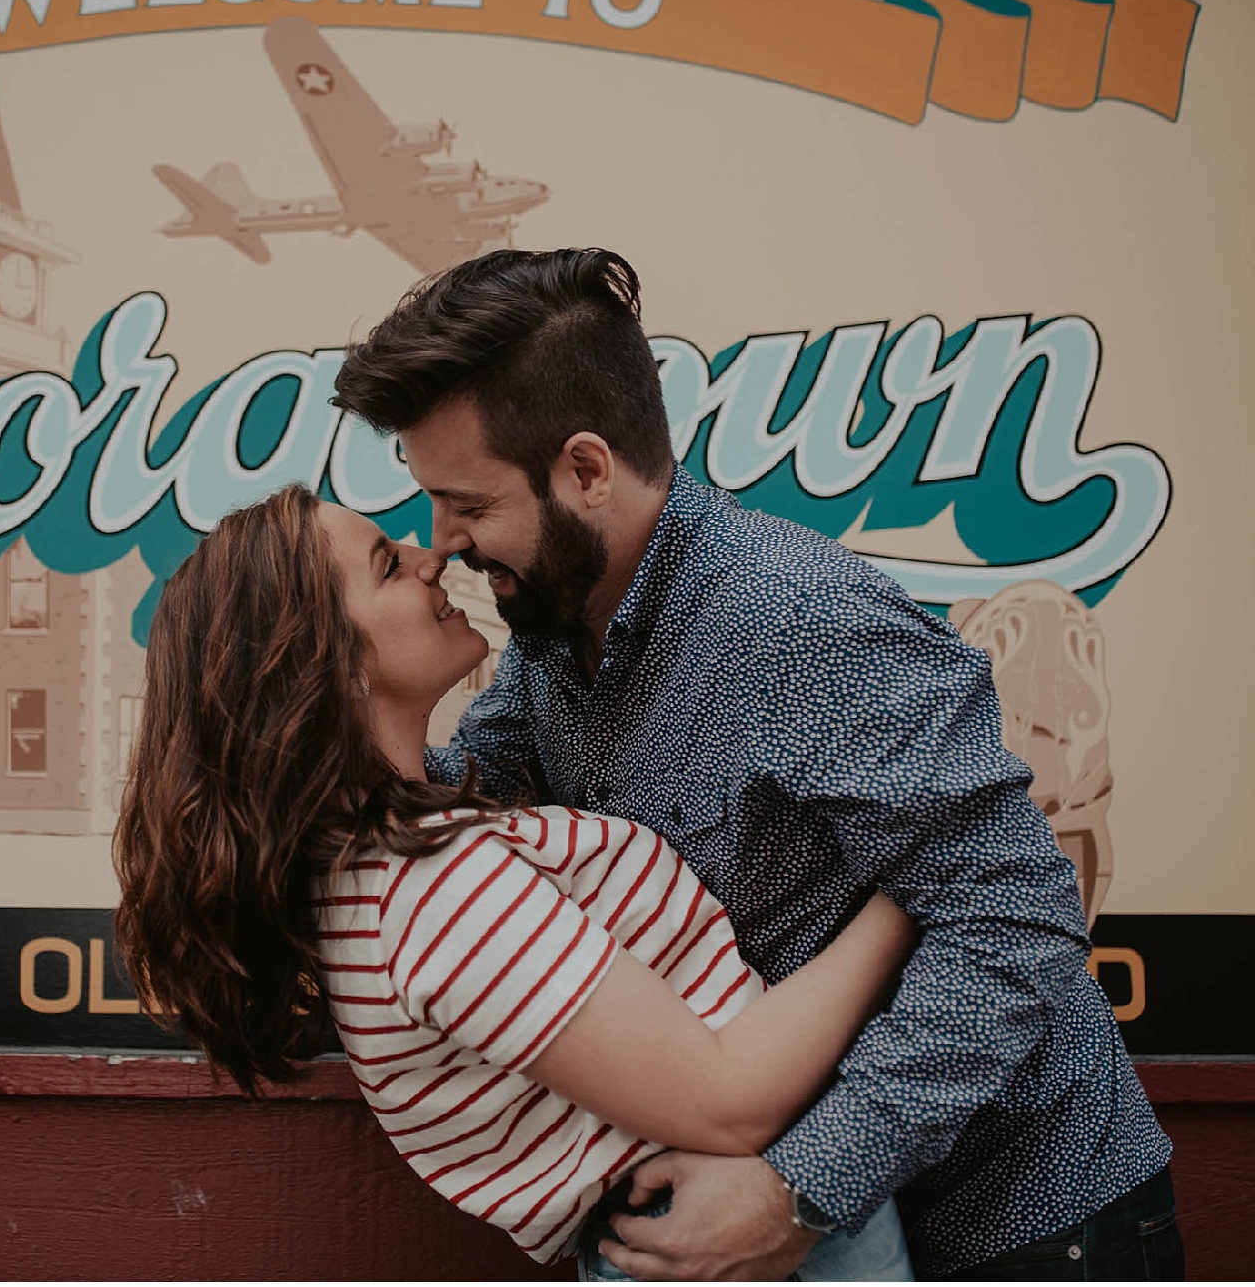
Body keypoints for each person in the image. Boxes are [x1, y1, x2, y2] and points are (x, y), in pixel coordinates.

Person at [328, 247, 1181, 1281]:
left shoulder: (797, 622)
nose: (443, 540)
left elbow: (1011, 912)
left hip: (1023, 1227)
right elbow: (471, 802)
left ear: (586, 471)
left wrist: (801, 1186)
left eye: (465, 504)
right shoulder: (553, 633)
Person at [112, 484, 918, 1278]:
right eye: (388, 566)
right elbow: (730, 1100)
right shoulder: (431, 891)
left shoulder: (383, 862)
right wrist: (904, 897)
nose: (434, 557)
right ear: (329, 663)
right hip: (736, 1223)